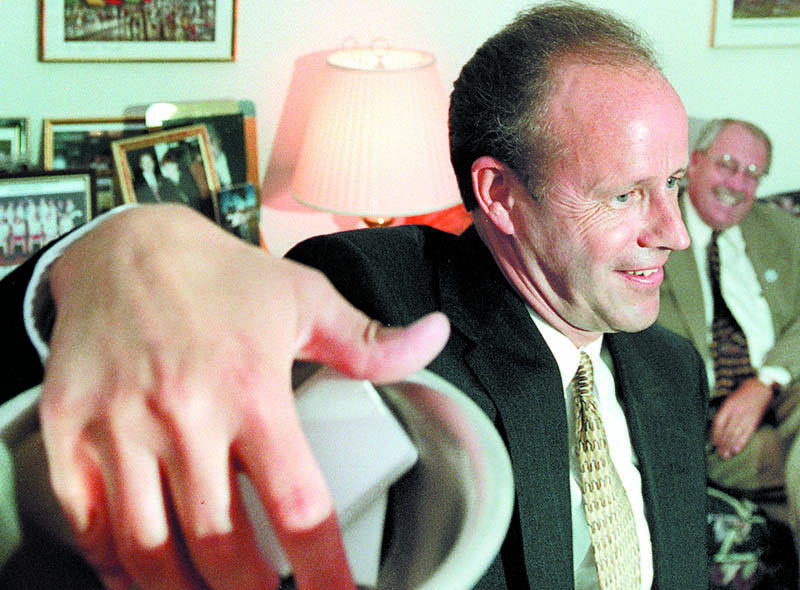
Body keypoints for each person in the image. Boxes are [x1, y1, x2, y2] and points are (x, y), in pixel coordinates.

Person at [0, 2, 710, 589]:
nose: (676, 232)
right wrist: (118, 248)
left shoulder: (674, 371)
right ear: (501, 195)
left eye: (674, 182)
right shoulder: (370, 299)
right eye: (626, 195)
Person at [658, 118, 800, 558]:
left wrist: (767, 380)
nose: (738, 184)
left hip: (786, 385)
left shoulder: (783, 230)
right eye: (727, 165)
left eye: (753, 173)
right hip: (714, 421)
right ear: (694, 164)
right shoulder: (652, 229)